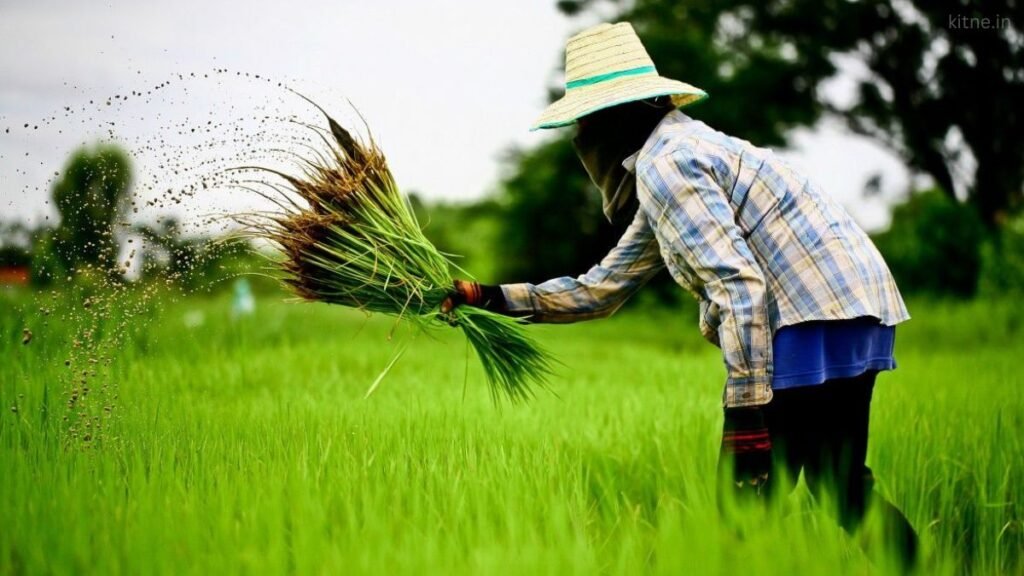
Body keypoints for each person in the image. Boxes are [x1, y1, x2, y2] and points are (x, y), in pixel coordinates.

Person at [440, 22, 918, 567]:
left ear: (616, 118)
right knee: (841, 490)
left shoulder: (667, 165)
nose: (583, 140)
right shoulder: (685, 151)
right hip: (857, 305)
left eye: (587, 123)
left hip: (808, 319)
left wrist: (747, 413)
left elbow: (739, 286)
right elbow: (601, 288)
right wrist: (489, 296)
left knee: (737, 514)